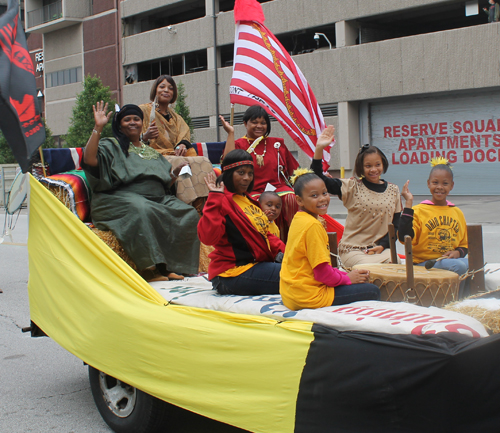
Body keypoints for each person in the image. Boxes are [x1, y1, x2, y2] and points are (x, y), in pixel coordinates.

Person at [82, 101, 200, 281]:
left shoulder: (150, 151)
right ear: (119, 125)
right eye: (126, 119)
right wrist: (98, 127)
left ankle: (170, 266)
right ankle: (149, 269)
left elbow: (165, 182)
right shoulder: (111, 145)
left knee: (188, 213)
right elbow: (89, 160)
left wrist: (175, 174)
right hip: (119, 197)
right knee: (142, 209)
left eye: (136, 119)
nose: (132, 122)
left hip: (156, 198)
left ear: (141, 123)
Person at [280, 169, 380, 310]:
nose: (322, 199)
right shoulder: (312, 225)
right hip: (308, 297)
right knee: (372, 290)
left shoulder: (299, 218)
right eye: (314, 195)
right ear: (299, 200)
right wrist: (348, 278)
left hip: (291, 294)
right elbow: (322, 274)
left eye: (324, 193)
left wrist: (344, 274)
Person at [311, 126, 402, 268]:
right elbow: (317, 179)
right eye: (368, 165)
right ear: (361, 167)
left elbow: (396, 225)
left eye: (377, 164)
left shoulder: (393, 190)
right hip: (353, 251)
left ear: (383, 164)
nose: (373, 169)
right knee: (369, 269)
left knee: (397, 264)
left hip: (380, 250)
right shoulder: (352, 187)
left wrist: (383, 246)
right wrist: (319, 149)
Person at [198, 149, 285, 295]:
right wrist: (214, 198)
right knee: (301, 277)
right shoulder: (221, 200)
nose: (247, 178)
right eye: (241, 173)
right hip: (231, 274)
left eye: (250, 174)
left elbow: (265, 235)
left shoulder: (249, 200)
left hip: (255, 266)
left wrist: (289, 254)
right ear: (228, 173)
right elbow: (207, 237)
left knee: (305, 270)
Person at [220, 105, 299, 242]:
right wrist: (230, 133)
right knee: (263, 203)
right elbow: (228, 164)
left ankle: (294, 242)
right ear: (245, 123)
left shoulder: (277, 144)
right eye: (254, 122)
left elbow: (295, 171)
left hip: (278, 188)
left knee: (291, 198)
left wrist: (317, 176)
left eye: (263, 123)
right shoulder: (239, 144)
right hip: (251, 190)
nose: (259, 126)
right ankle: (267, 245)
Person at [399, 157, 469, 296]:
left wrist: (457, 253)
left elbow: (464, 244)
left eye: (445, 183)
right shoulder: (420, 210)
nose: (439, 187)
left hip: (447, 262)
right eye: (435, 182)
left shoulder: (457, 212)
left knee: (472, 264)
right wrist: (408, 204)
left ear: (452, 185)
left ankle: (462, 300)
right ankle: (454, 301)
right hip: (423, 263)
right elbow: (404, 238)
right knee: (459, 266)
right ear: (428, 183)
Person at [139, 75, 196, 157]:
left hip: (174, 155)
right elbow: (132, 137)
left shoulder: (176, 118)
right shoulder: (143, 110)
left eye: (170, 88)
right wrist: (145, 136)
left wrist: (182, 145)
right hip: (152, 156)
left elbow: (184, 134)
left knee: (195, 155)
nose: (166, 90)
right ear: (155, 90)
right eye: (162, 87)